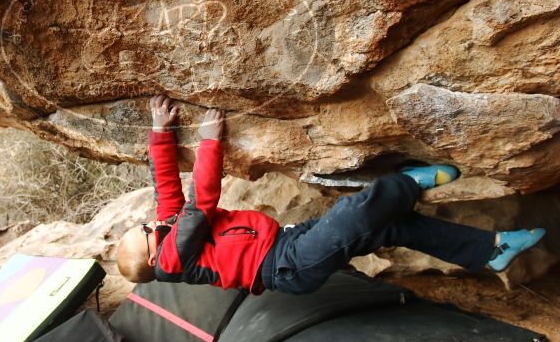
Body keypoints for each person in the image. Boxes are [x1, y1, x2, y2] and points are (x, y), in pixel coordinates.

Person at [116, 95, 546, 295]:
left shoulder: (165, 230)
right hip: (287, 266)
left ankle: (489, 251)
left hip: (286, 241)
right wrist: (210, 142)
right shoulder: (175, 257)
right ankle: (409, 182)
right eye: (146, 233)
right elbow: (200, 202)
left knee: (391, 227)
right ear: (156, 259)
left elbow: (166, 186)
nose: (150, 223)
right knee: (353, 214)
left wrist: (160, 132)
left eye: (143, 224)